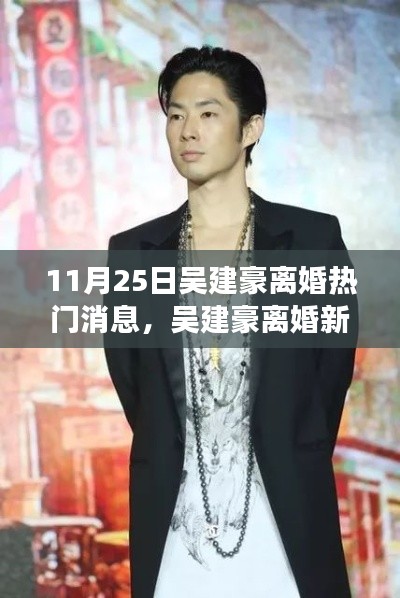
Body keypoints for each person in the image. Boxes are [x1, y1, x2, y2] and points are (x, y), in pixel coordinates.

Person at [104, 45, 357, 598]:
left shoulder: (310, 241)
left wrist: (289, 446)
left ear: (251, 128)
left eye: (208, 113)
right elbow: (134, 386)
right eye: (176, 115)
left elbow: (329, 376)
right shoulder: (134, 253)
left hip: (284, 522)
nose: (188, 131)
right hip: (178, 533)